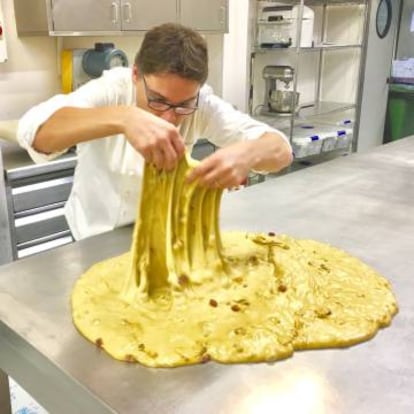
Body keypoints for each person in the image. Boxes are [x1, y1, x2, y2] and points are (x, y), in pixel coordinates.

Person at [18, 23, 292, 241]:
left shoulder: (202, 104)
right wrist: (123, 117)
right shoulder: (112, 90)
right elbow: (35, 132)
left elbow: (281, 150)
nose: (170, 117)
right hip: (92, 236)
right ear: (136, 74)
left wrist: (247, 154)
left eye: (183, 105)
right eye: (158, 100)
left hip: (163, 237)